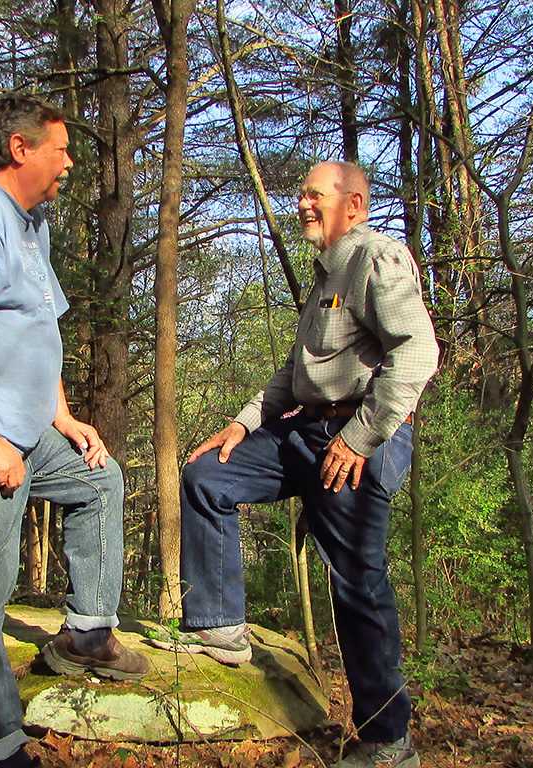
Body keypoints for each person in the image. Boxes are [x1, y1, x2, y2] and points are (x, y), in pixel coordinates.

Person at [153, 162, 438, 768]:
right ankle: (219, 628)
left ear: (354, 204)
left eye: (316, 195)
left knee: (357, 580)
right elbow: (298, 374)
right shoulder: (326, 276)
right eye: (302, 194)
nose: (303, 204)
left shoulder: (376, 259)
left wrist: (360, 439)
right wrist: (242, 423)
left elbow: (417, 352)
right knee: (208, 476)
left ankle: (389, 742)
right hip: (304, 431)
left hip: (359, 437)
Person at [0, 93, 147, 768]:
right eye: (61, 148)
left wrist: (63, 418)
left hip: (22, 426)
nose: (70, 162)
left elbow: (38, 331)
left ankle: (87, 636)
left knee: (100, 479)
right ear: (20, 149)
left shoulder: (29, 222)